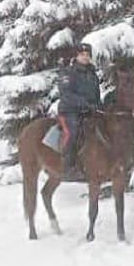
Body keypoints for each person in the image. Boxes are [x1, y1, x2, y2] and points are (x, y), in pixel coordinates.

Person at [57, 42, 101, 180]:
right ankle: (67, 167)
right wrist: (84, 103)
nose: (85, 57)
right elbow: (66, 94)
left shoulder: (92, 74)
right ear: (76, 56)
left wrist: (98, 105)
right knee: (73, 131)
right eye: (82, 55)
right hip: (70, 111)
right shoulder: (68, 73)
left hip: (88, 111)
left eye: (88, 55)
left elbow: (96, 94)